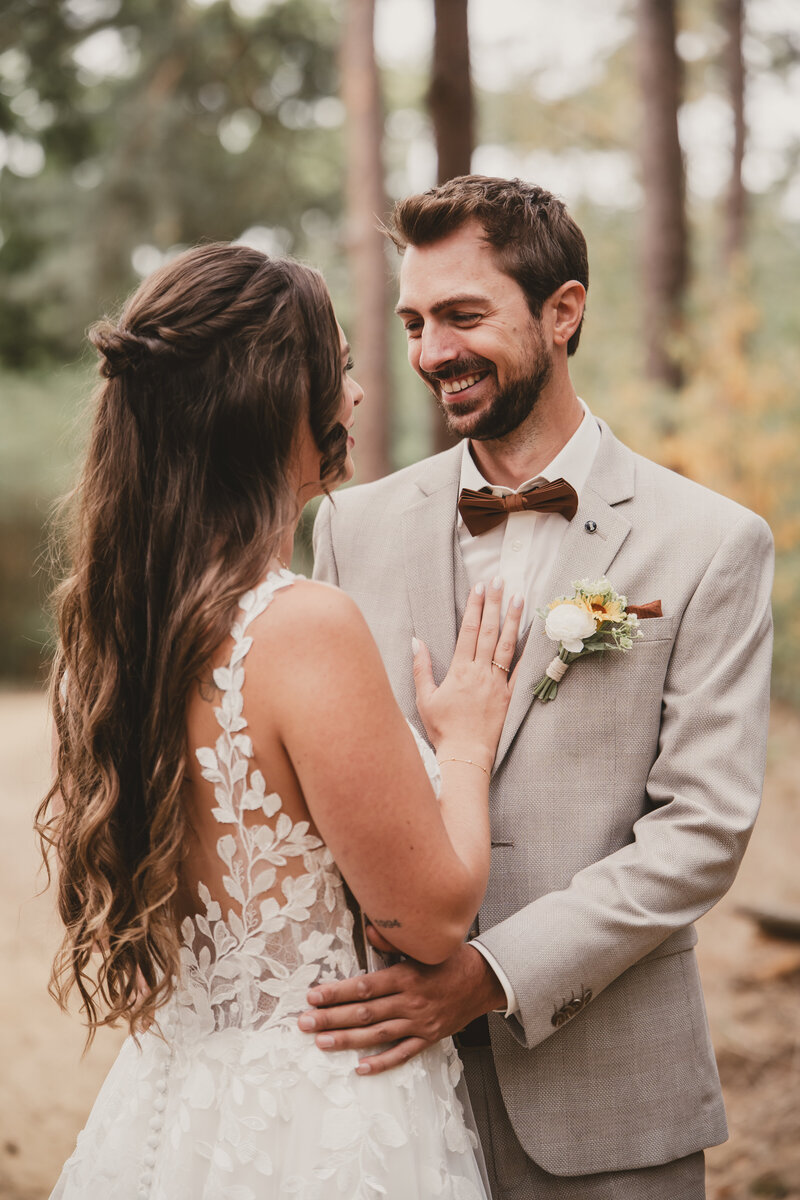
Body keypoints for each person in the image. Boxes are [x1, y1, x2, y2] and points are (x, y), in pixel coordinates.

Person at [309, 175, 774, 1199]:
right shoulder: (351, 527)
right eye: (414, 322)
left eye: (463, 314)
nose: (431, 352)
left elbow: (699, 830)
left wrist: (488, 975)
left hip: (605, 1099)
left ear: (561, 312)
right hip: (383, 1107)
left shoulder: (709, 544)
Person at [38, 241, 527, 1199]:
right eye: (338, 368)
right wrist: (464, 745)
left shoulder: (113, 635)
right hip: (321, 1115)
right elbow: (429, 917)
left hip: (174, 1105)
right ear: (276, 401)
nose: (352, 395)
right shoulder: (301, 624)